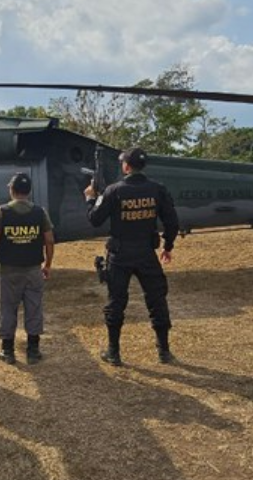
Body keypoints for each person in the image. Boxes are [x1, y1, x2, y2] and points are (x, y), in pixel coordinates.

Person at [84, 147, 180, 366]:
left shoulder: (113, 191)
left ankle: (113, 352)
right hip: (147, 253)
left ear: (126, 166)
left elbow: (94, 219)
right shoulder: (158, 189)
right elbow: (172, 222)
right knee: (157, 300)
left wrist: (90, 198)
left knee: (116, 302)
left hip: (120, 255)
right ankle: (164, 351)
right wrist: (168, 246)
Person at [0, 173, 55, 365]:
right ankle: (33, 350)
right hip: (33, 269)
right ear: (29, 191)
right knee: (34, 308)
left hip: (10, 270)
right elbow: (49, 240)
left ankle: (8, 350)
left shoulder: (2, 211)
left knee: (8, 308)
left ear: (12, 190)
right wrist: (48, 264)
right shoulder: (40, 212)